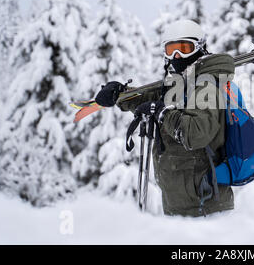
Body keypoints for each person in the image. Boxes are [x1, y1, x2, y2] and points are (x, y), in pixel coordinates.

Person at [94, 19, 235, 217]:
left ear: (200, 48)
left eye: (184, 48)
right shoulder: (181, 84)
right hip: (181, 206)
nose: (177, 56)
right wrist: (121, 94)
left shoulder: (206, 85)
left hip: (206, 207)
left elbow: (196, 134)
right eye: (171, 50)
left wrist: (162, 113)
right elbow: (151, 98)